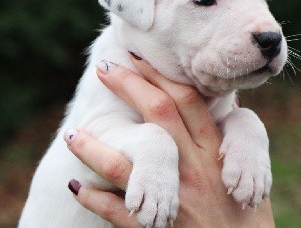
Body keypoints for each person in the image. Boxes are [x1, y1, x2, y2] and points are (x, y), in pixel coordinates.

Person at [64, 56, 275, 227]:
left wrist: (245, 127)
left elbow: (227, 120)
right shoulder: (114, 63)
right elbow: (92, 162)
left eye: (266, 0)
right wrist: (153, 146)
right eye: (205, 0)